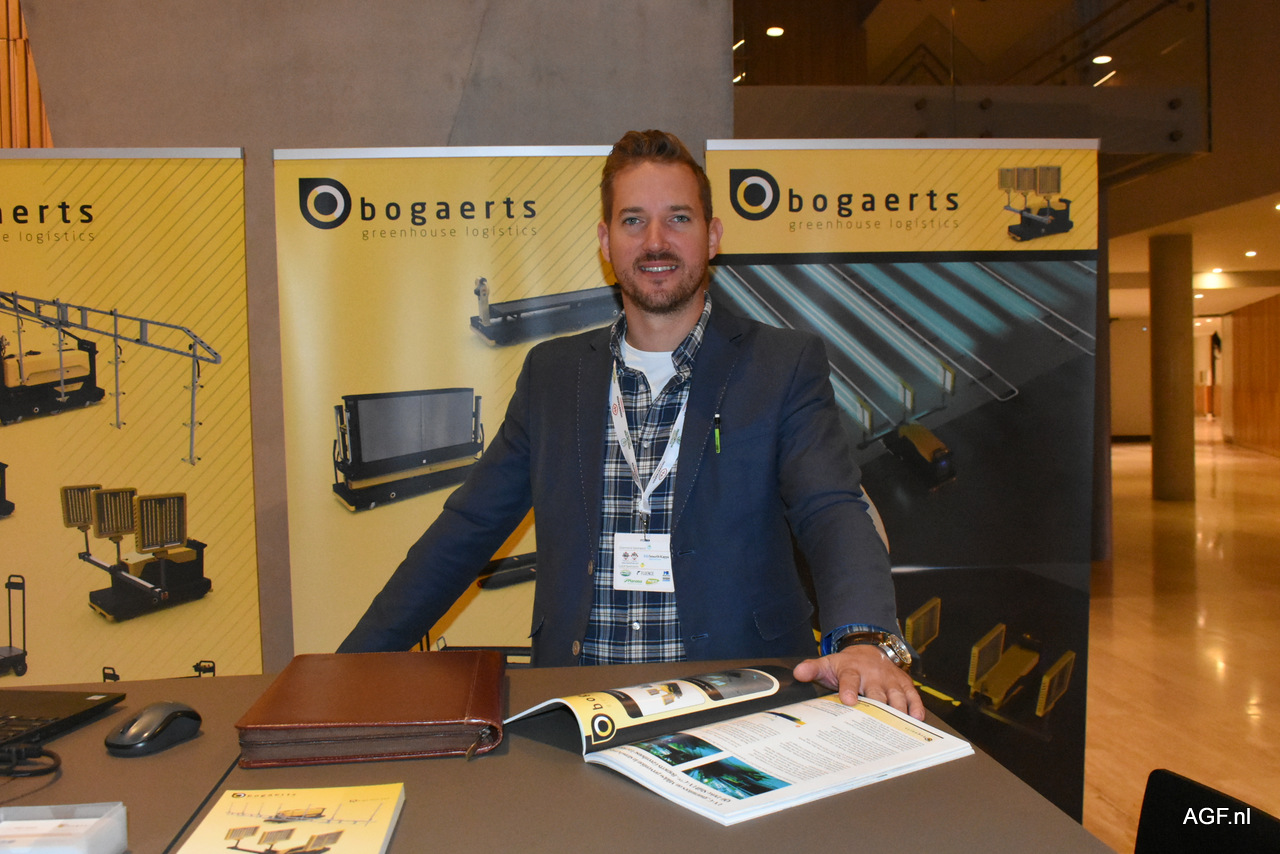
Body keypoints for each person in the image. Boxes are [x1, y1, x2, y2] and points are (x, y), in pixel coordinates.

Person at [339, 130, 925, 720]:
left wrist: (864, 639)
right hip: (580, 711)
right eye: (633, 221)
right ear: (606, 241)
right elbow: (467, 528)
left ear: (713, 235)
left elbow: (831, 508)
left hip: (741, 704)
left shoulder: (781, 365)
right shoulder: (553, 375)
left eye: (678, 219)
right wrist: (349, 669)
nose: (655, 241)